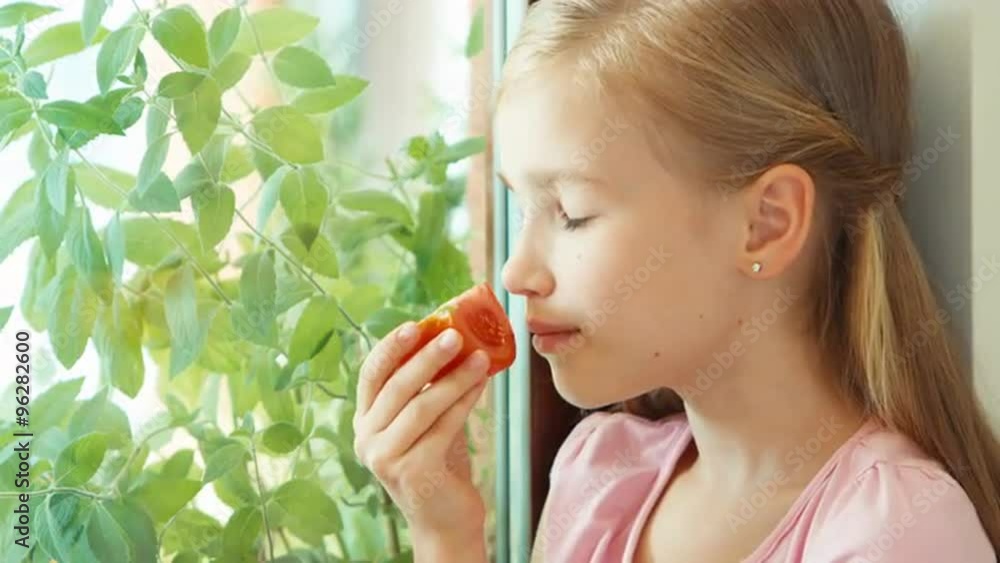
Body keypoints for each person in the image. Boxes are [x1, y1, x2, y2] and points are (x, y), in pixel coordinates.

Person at [352, 0, 1000, 561]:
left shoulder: (895, 532)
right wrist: (445, 533)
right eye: (522, 208)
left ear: (767, 224)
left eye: (572, 213)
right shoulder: (598, 475)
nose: (515, 272)